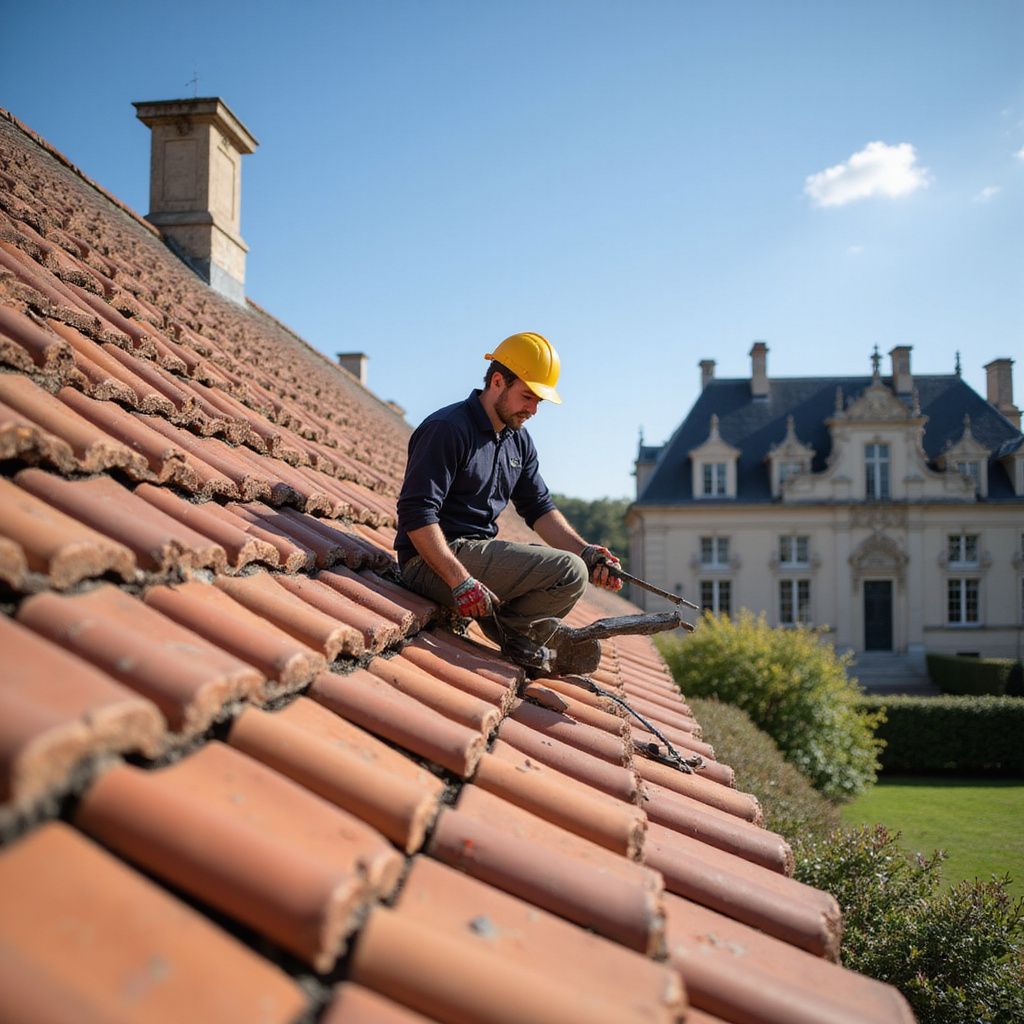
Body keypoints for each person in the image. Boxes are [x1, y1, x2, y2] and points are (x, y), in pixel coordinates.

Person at [395, 331, 623, 672]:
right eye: (527, 397)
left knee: (575, 564)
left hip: (472, 557)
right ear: (498, 381)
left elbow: (540, 508)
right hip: (429, 564)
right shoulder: (448, 429)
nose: (532, 409)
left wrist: (587, 552)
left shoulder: (518, 441)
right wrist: (460, 580)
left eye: (538, 402)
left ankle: (513, 632)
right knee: (568, 570)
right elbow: (416, 513)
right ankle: (520, 639)